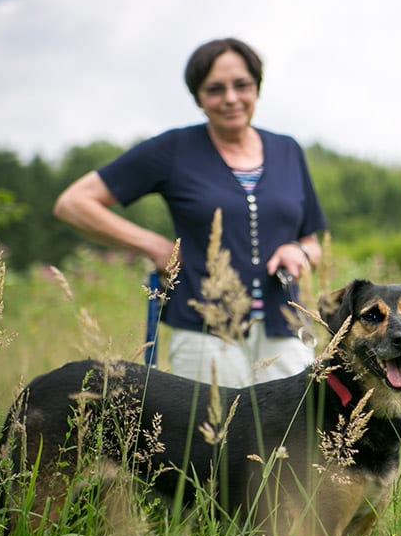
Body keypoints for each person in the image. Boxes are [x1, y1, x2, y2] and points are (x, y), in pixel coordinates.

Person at [54, 37, 327, 387]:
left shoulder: (288, 150)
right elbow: (73, 203)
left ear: (257, 88)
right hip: (205, 334)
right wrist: (153, 245)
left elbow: (312, 243)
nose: (230, 98)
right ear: (198, 97)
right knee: (214, 442)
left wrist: (299, 250)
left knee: (292, 438)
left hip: (285, 331)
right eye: (215, 89)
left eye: (241, 85)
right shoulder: (174, 150)